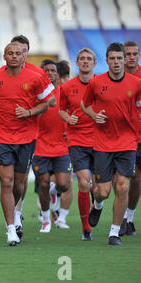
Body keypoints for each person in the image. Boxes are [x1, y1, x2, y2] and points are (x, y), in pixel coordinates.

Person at [0, 42, 55, 246]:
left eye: (18, 53)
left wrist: (30, 112)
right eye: (10, 53)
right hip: (0, 137)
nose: (14, 56)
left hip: (26, 138)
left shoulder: (36, 77)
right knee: (7, 182)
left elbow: (47, 102)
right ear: (4, 56)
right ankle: (11, 230)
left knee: (19, 184)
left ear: (24, 56)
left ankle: (15, 211)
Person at [81, 42, 141, 245]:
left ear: (125, 60)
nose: (116, 62)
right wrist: (93, 115)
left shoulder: (136, 83)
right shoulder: (96, 83)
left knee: (123, 187)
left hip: (127, 142)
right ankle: (97, 204)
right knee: (104, 191)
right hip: (103, 143)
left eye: (119, 58)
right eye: (112, 59)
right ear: (106, 61)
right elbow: (84, 104)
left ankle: (114, 232)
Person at [59, 48, 98, 241]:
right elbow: (61, 110)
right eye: (81, 58)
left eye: (89, 59)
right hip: (77, 141)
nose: (85, 61)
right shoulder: (67, 87)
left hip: (101, 141)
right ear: (77, 62)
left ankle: (97, 204)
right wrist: (68, 118)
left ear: (95, 63)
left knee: (101, 190)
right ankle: (86, 228)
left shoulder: (102, 84)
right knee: (83, 182)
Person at [32, 59, 72, 233]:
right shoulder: (35, 94)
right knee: (43, 183)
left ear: (58, 74)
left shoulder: (66, 92)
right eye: (46, 70)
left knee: (63, 184)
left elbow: (76, 111)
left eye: (53, 70)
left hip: (62, 145)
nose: (50, 73)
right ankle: (46, 220)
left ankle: (54, 192)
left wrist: (70, 130)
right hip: (40, 145)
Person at [120, 40, 141, 236]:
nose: (131, 57)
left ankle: (129, 217)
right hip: (123, 137)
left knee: (136, 181)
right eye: (128, 54)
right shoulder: (116, 78)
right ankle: (120, 220)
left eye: (135, 54)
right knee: (128, 178)